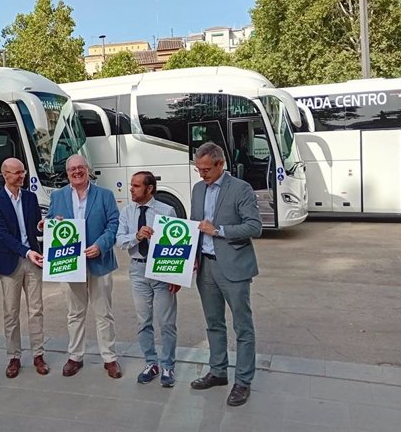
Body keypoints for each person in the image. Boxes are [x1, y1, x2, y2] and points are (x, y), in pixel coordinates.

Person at [189, 142, 262, 407]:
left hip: (233, 266)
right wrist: (190, 259)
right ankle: (218, 371)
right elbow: (194, 226)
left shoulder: (240, 189)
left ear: (221, 164)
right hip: (205, 266)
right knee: (213, 322)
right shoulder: (198, 190)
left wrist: (218, 230)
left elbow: (254, 226)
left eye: (206, 169)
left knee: (242, 326)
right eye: (199, 169)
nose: (202, 175)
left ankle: (243, 382)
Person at [45, 154, 121, 378]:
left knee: (103, 313)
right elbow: (51, 221)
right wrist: (48, 224)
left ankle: (109, 358)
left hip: (99, 261)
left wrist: (100, 245)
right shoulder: (58, 196)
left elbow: (113, 224)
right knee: (74, 313)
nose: (76, 172)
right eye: (72, 170)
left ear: (88, 169)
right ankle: (75, 356)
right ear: (67, 173)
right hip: (70, 263)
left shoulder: (104, 195)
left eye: (80, 168)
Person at [116, 171, 179, 387]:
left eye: (136, 186)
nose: (131, 189)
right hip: (137, 270)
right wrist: (137, 236)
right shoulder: (126, 211)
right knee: (144, 321)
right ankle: (151, 363)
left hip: (161, 270)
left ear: (149, 188)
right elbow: (120, 241)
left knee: (167, 322)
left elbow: (177, 244)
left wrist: (176, 274)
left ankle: (168, 366)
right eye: (131, 185)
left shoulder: (166, 211)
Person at [0, 158, 48, 378]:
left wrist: (43, 225)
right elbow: (1, 235)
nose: (21, 176)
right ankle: (13, 357)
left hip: (33, 260)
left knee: (36, 310)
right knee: (11, 312)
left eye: (23, 172)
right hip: (10, 261)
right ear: (5, 174)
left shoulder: (31, 198)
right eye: (17, 173)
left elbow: (34, 228)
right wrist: (25, 251)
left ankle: (38, 354)